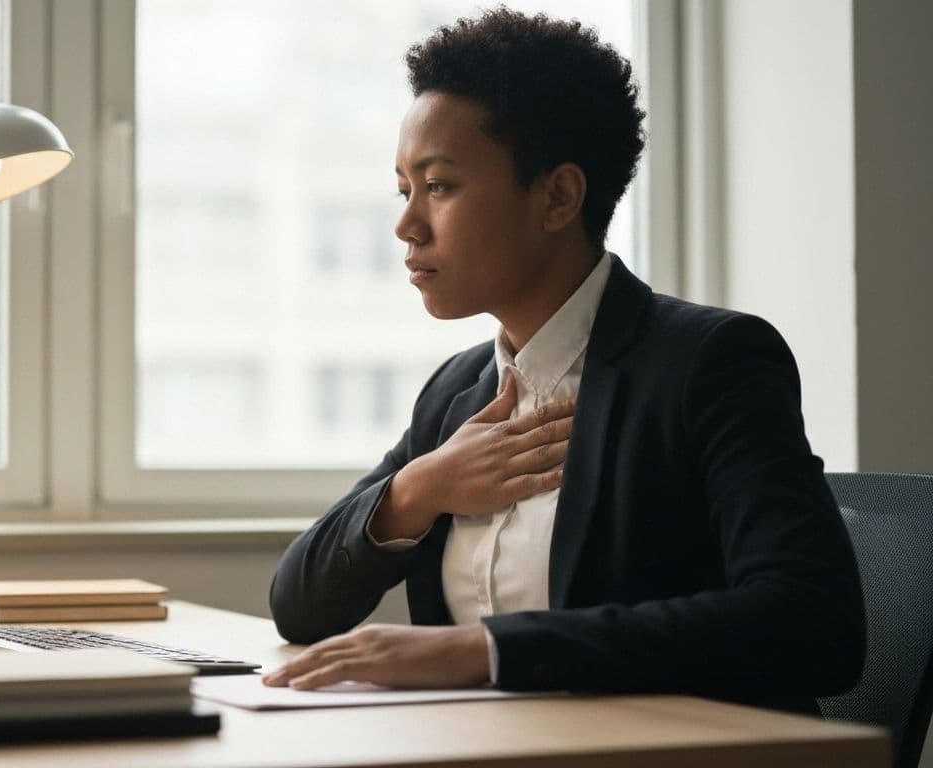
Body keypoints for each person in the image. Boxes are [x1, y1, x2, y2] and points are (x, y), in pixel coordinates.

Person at [265, 8, 864, 715]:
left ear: (557, 197)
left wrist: (484, 651)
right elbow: (298, 607)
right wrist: (416, 491)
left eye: (440, 186)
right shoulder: (459, 392)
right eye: (404, 190)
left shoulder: (711, 362)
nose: (406, 224)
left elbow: (812, 621)